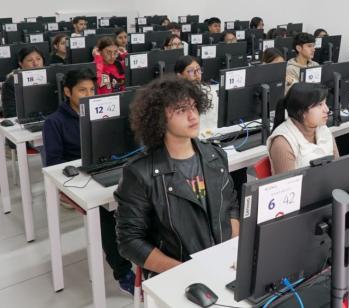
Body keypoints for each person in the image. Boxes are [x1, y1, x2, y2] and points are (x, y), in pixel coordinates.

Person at [115, 76, 240, 274]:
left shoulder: (215, 156)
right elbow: (130, 242)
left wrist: (231, 251)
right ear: (159, 119)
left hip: (224, 264)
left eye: (194, 107)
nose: (193, 116)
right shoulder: (139, 173)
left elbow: (231, 206)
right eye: (181, 110)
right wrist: (185, 271)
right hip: (178, 273)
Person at [42, 68, 136, 294]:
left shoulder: (102, 112)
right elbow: (54, 163)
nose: (88, 94)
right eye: (82, 90)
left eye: (92, 89)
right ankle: (123, 272)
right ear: (67, 92)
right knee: (105, 213)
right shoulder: (54, 122)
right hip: (76, 181)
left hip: (106, 167)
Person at [268, 83, 339, 174]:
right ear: (301, 112)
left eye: (325, 103)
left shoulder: (323, 129)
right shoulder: (283, 142)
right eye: (320, 105)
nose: (327, 109)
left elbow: (338, 167)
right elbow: (289, 186)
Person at [1, 47, 45, 118]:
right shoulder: (11, 84)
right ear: (21, 64)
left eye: (38, 59)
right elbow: (10, 114)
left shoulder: (50, 77)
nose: (36, 63)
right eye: (30, 60)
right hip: (25, 123)